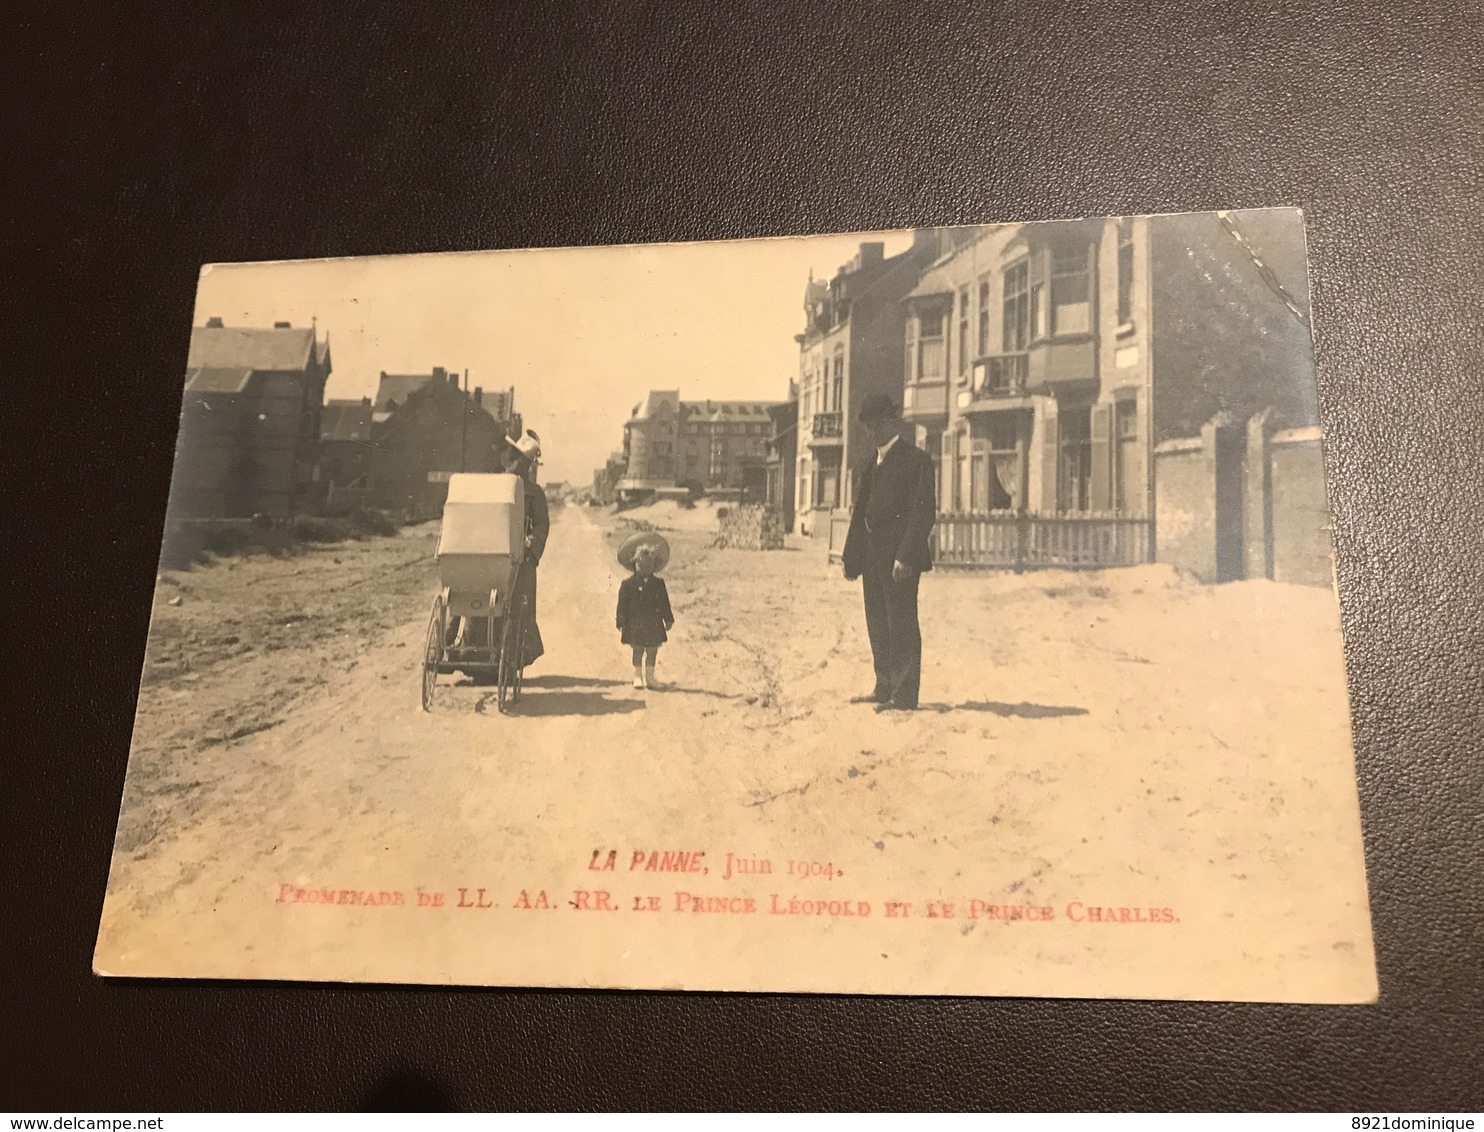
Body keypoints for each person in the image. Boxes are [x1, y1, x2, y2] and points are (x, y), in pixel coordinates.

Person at [840, 393, 937, 712]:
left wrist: (906, 557)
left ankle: (905, 694)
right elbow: (860, 514)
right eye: (868, 425)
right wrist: (851, 557)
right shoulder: (872, 464)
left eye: (877, 423)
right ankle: (884, 687)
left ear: (892, 422)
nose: (872, 431)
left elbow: (923, 513)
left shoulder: (915, 460)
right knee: (877, 622)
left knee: (902, 623)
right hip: (872, 557)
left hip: (898, 559)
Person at [505, 430, 549, 668]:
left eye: (523, 461)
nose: (516, 464)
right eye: (514, 457)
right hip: (494, 551)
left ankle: (515, 658)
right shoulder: (494, 485)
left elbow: (542, 524)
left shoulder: (534, 493)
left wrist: (531, 543)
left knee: (518, 605)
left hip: (521, 556)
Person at [615, 534, 674, 690]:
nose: (646, 569)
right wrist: (620, 621)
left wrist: (668, 619)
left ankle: (650, 677)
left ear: (654, 566)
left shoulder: (658, 584)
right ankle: (637, 676)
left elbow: (664, 603)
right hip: (635, 623)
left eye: (649, 566)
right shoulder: (628, 584)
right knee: (638, 649)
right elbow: (622, 605)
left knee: (652, 650)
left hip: (653, 623)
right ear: (634, 564)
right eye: (642, 566)